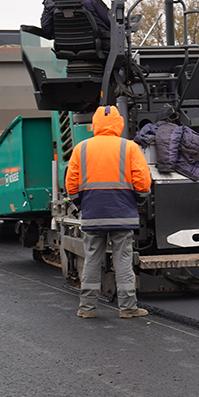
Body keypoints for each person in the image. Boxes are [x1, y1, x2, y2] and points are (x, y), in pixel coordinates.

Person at [65, 105, 152, 319]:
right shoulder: (129, 147)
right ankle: (128, 308)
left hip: (93, 214)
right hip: (122, 213)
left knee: (92, 259)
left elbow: (71, 183)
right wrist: (138, 200)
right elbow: (142, 181)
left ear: (95, 124)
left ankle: (87, 308)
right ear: (119, 124)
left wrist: (81, 204)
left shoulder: (81, 148)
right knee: (123, 260)